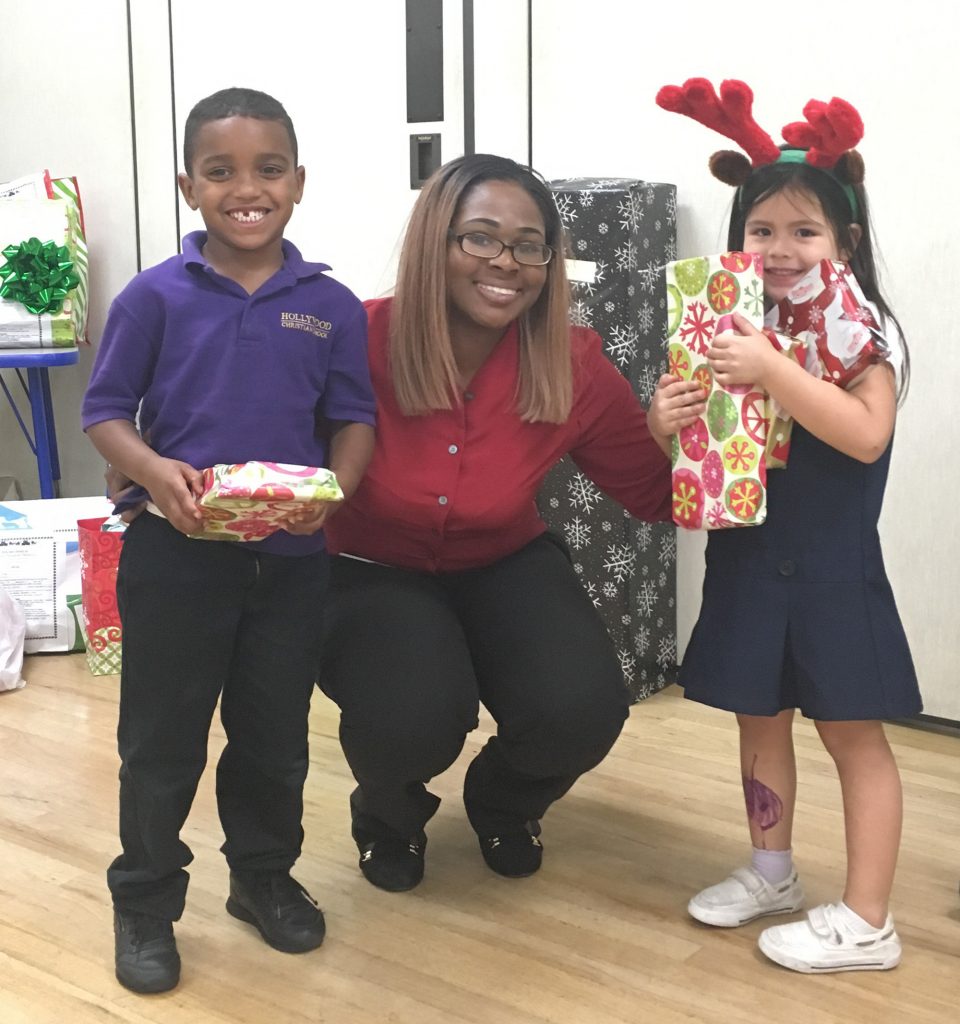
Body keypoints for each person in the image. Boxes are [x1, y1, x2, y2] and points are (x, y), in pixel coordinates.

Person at [317, 153, 681, 895]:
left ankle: (504, 803)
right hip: (367, 566)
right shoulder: (354, 336)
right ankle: (388, 817)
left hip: (503, 559)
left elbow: (652, 495)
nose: (505, 262)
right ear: (435, 243)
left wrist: (687, 437)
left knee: (582, 709)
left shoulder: (571, 361)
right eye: (479, 238)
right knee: (414, 714)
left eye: (529, 244)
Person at [81, 87, 376, 994]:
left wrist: (337, 491)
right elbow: (103, 413)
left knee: (275, 739)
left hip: (289, 565)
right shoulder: (153, 296)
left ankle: (261, 878)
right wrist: (155, 470)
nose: (246, 189)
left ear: (298, 182)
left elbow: (353, 420)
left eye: (268, 170)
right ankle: (145, 903)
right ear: (188, 185)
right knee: (161, 742)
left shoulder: (329, 306)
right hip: (176, 562)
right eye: (221, 172)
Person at [655, 78, 921, 973]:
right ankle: (772, 870)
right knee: (757, 720)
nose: (778, 248)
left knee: (853, 736)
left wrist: (772, 368)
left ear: (842, 241)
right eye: (760, 230)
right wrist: (669, 416)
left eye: (803, 231)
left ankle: (869, 919)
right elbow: (698, 449)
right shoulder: (730, 327)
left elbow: (864, 432)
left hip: (832, 571)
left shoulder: (860, 338)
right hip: (748, 560)